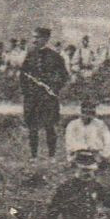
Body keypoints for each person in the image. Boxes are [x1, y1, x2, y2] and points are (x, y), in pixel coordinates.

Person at [21, 28, 70, 159]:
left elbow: (64, 76)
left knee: (49, 126)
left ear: (46, 39)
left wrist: (54, 88)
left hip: (48, 98)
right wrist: (27, 92)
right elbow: (23, 75)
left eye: (37, 37)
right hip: (32, 98)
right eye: (33, 37)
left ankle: (52, 156)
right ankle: (34, 156)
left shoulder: (55, 57)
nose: (34, 40)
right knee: (32, 127)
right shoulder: (30, 55)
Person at [63, 100, 110, 189]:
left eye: (91, 112)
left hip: (100, 155)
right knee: (88, 154)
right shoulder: (73, 125)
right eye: (86, 112)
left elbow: (109, 141)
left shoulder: (99, 124)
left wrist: (103, 151)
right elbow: (70, 144)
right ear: (81, 112)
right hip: (79, 156)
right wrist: (87, 148)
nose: (88, 115)